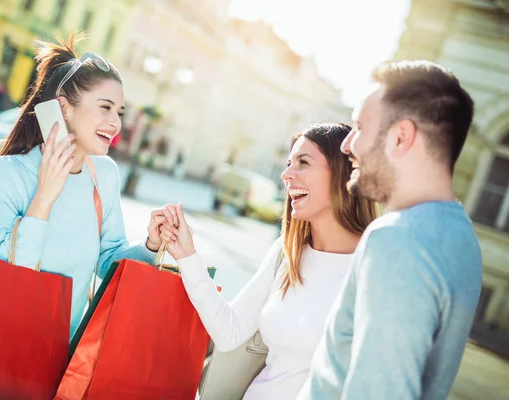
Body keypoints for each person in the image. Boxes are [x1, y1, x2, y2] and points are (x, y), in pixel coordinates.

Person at [0, 33, 179, 339]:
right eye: (105, 108)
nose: (116, 124)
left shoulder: (103, 176)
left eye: (119, 112)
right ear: (63, 107)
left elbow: (108, 265)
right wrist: (43, 200)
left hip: (57, 359)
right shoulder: (6, 175)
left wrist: (151, 244)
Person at [296, 60, 483, 400]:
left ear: (400, 138)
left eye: (360, 128)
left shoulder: (398, 239)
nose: (346, 145)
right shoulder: (462, 237)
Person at [158, 123, 379, 399]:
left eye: (303, 163)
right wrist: (187, 255)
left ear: (342, 173)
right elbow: (230, 331)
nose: (286, 175)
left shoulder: (375, 266)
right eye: (288, 163)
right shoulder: (287, 253)